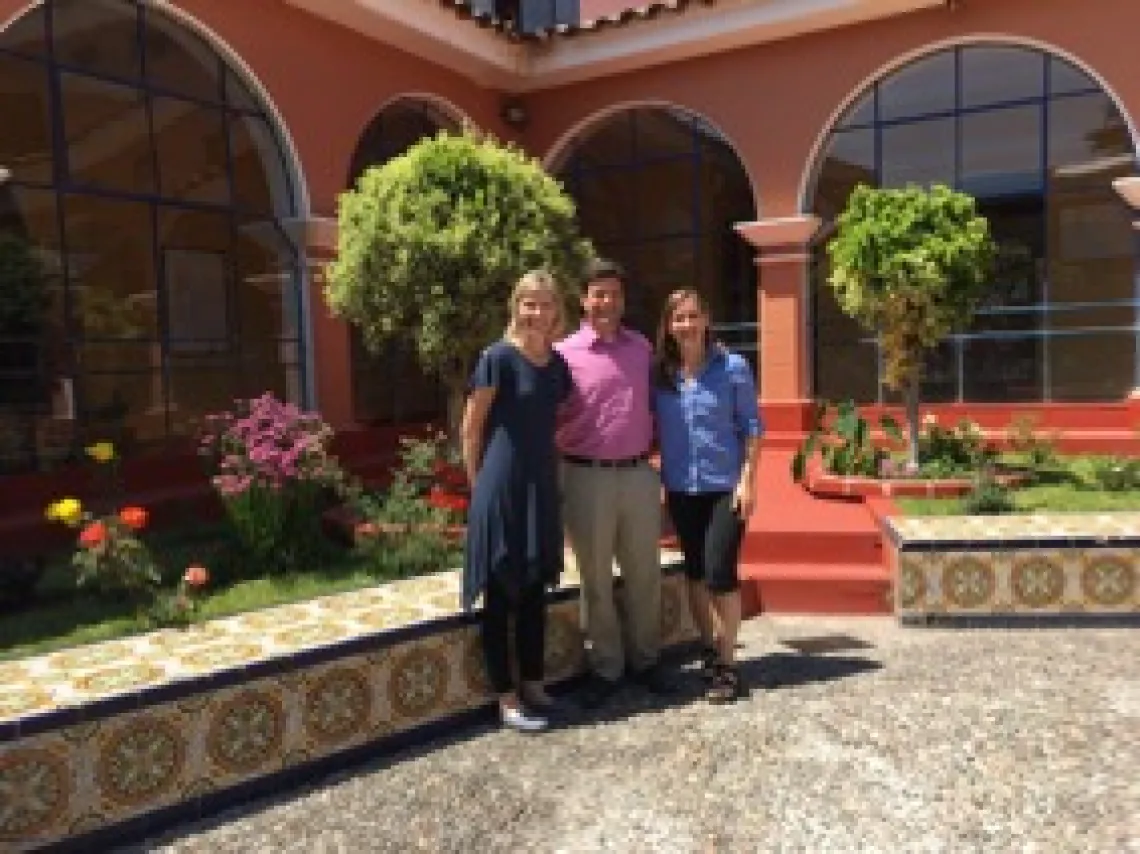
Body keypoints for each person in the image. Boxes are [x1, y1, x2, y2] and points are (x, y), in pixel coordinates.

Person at [556, 259, 672, 709]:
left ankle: (647, 661)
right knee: (595, 578)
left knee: (646, 573)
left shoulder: (641, 348)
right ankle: (607, 668)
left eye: (614, 294)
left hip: (639, 474)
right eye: (598, 294)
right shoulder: (565, 355)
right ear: (583, 300)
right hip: (586, 476)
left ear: (622, 301)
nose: (606, 302)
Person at [461, 270, 573, 732]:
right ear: (516, 306)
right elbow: (472, 428)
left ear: (556, 312)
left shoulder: (556, 365)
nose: (537, 313)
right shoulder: (497, 359)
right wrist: (478, 488)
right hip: (501, 485)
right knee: (501, 592)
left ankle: (533, 684)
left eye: (545, 304)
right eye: (529, 303)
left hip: (540, 484)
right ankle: (506, 699)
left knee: (533, 590)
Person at [652, 288, 762, 703]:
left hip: (723, 488)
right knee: (695, 574)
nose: (685, 325)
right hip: (681, 488)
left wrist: (748, 480)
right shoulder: (661, 375)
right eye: (677, 318)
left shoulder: (732, 367)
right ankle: (708, 648)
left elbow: (752, 427)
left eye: (692, 317)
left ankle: (729, 664)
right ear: (668, 325)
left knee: (720, 573)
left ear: (706, 320)